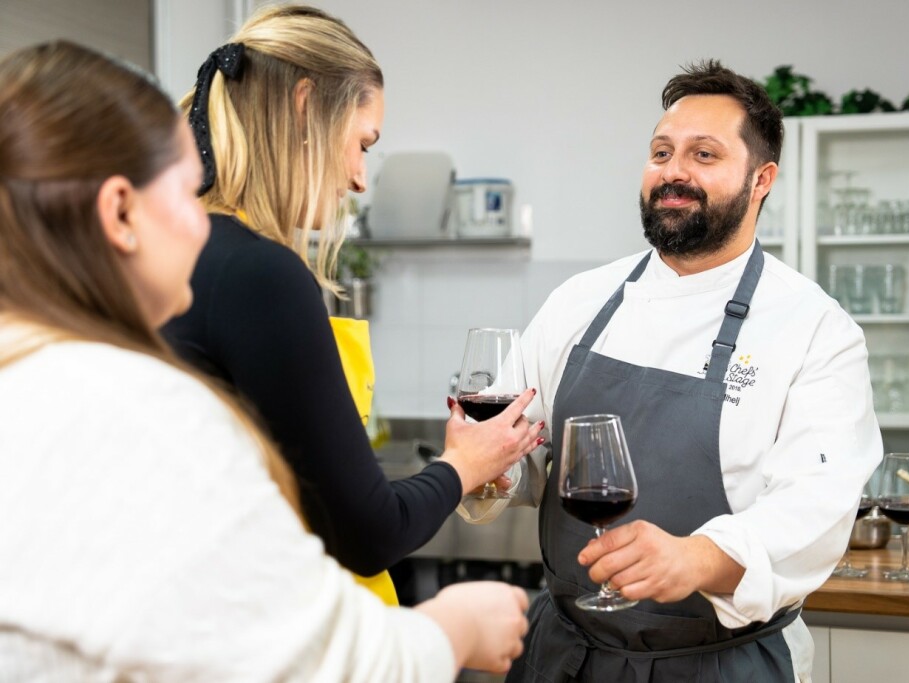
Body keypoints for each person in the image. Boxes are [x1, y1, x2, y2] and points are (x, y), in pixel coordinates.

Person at [0, 40, 530, 681]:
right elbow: (296, 652)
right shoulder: (145, 411)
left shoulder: (36, 375)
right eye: (183, 189)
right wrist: (456, 627)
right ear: (119, 211)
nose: (202, 225)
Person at [461, 60, 883, 681]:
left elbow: (814, 510)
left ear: (761, 178)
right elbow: (519, 449)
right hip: (566, 654)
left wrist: (698, 558)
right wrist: (486, 470)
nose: (674, 171)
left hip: (720, 661)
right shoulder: (580, 301)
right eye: (662, 151)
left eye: (704, 155)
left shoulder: (815, 329)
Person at [161, 4, 543, 602]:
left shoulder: (175, 250)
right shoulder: (259, 273)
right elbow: (366, 531)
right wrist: (463, 465)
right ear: (306, 107)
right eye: (364, 143)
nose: (362, 179)